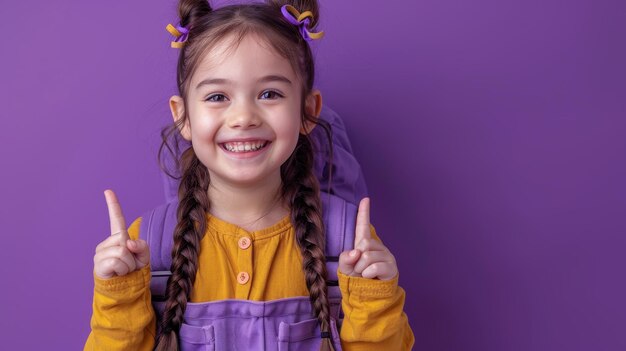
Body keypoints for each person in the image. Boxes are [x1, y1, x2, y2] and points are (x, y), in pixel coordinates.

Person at [84, 0, 415, 350]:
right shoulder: (149, 245)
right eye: (217, 96)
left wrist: (375, 297)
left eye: (269, 93)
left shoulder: (348, 242)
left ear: (308, 112)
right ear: (183, 117)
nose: (243, 117)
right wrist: (118, 297)